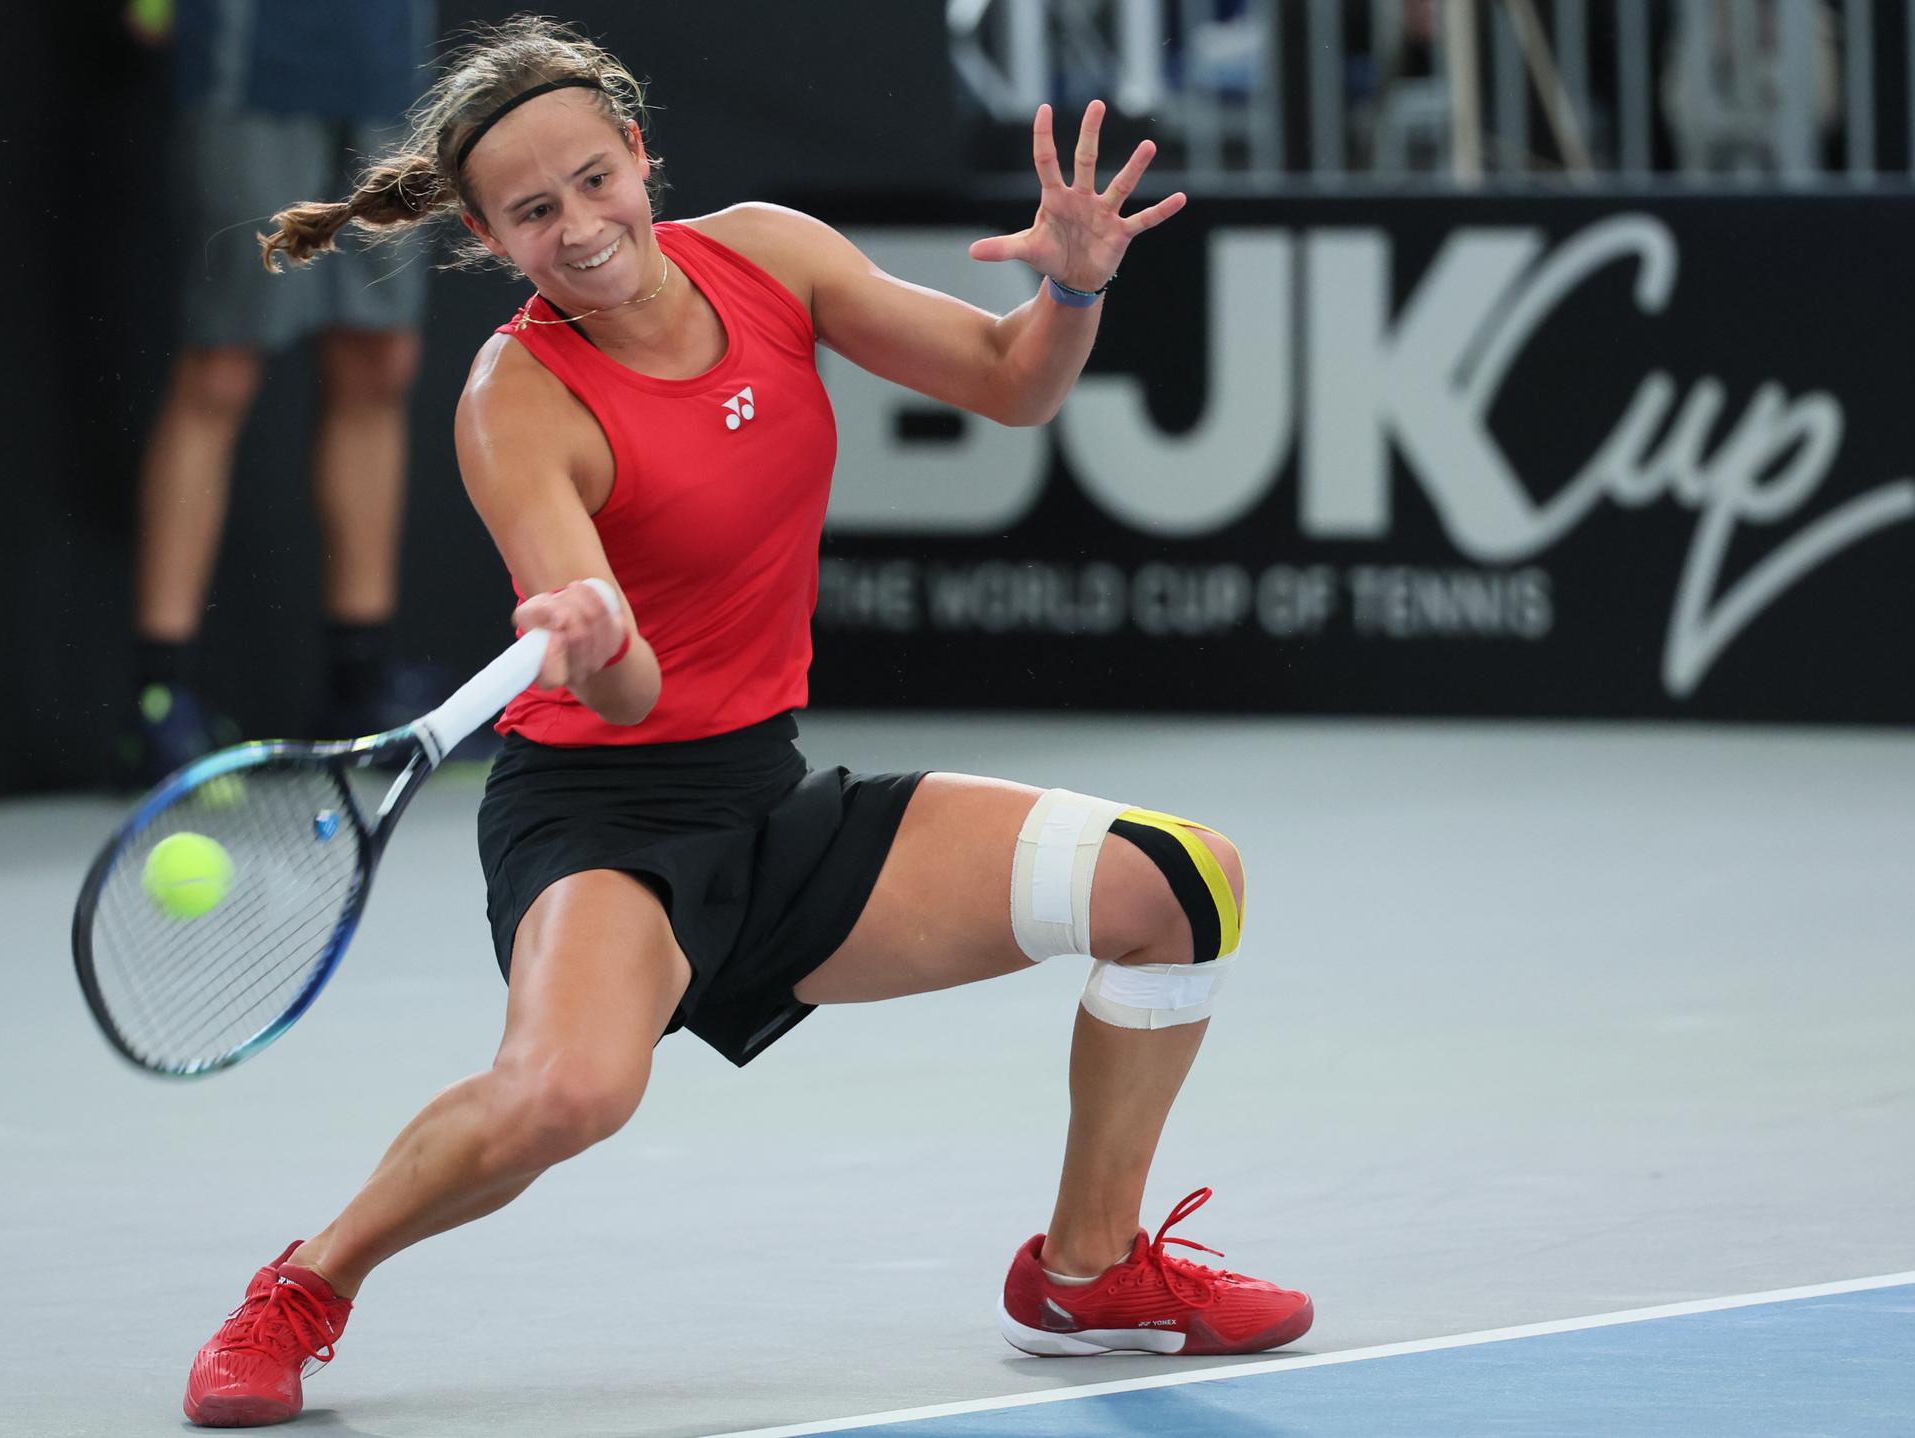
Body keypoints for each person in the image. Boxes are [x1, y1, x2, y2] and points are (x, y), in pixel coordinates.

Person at [180, 16, 1313, 1429]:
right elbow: (630, 695)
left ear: (639, 152)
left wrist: (1072, 289)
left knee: (1181, 882)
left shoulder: (771, 254)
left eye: (595, 180)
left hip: (770, 805)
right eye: (533, 212)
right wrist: (601, 639)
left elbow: (1010, 380)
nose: (579, 227)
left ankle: (1087, 1273)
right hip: (604, 823)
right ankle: (306, 1284)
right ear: (487, 235)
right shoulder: (514, 403)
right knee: (569, 1094)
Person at [123, 0, 435, 786]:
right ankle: (161, 701)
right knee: (222, 367)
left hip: (386, 56)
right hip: (246, 49)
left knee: (378, 360)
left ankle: (360, 689)